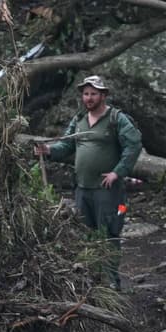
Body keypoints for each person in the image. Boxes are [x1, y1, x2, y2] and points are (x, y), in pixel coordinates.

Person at [35, 75, 142, 289]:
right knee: (87, 233)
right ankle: (94, 279)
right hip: (82, 189)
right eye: (86, 93)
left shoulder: (116, 119)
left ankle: (112, 282)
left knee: (111, 232)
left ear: (104, 95)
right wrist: (48, 150)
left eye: (94, 93)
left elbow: (134, 145)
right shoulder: (79, 120)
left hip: (110, 191)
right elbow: (66, 146)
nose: (89, 98)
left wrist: (117, 172)